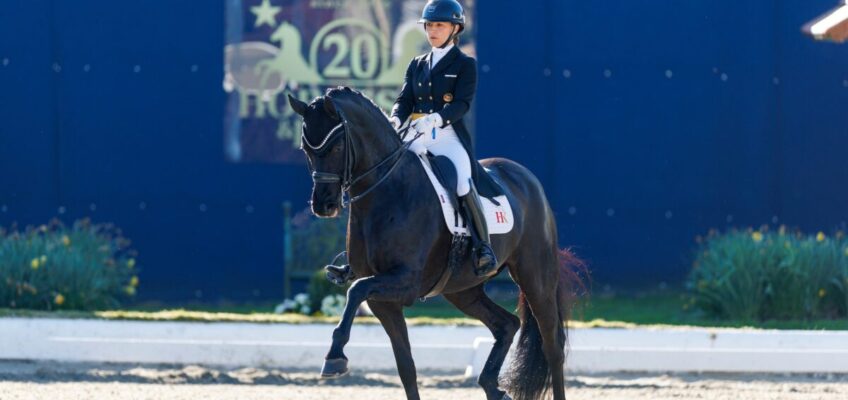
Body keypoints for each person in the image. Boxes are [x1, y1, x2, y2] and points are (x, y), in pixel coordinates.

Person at [389, 0, 499, 276]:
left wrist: (437, 118)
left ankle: (482, 246)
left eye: (439, 25)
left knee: (462, 180)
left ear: (455, 28)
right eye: (429, 25)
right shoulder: (417, 63)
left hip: (447, 135)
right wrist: (394, 118)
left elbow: (462, 103)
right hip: (414, 134)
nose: (433, 30)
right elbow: (404, 100)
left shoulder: (465, 64)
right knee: (387, 175)